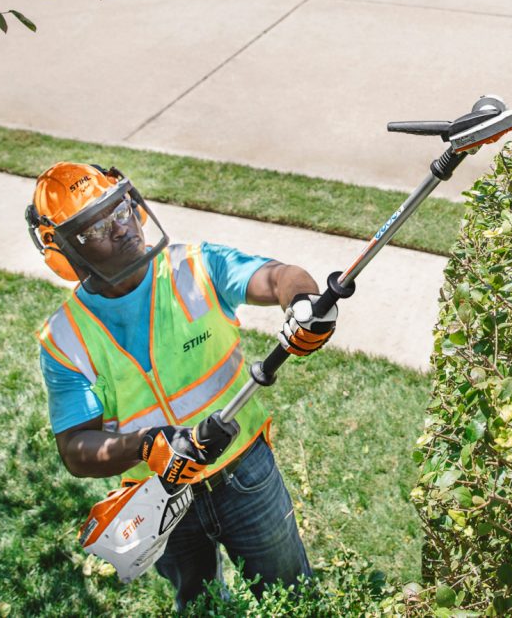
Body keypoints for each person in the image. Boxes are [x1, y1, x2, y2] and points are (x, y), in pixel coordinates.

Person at [27, 162, 337, 610]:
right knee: (200, 607)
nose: (122, 228)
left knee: (295, 600)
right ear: (64, 252)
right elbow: (76, 448)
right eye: (96, 228)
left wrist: (305, 302)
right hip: (161, 500)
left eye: (121, 210)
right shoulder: (64, 340)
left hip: (245, 474)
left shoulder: (196, 267)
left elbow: (278, 276)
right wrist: (147, 445)